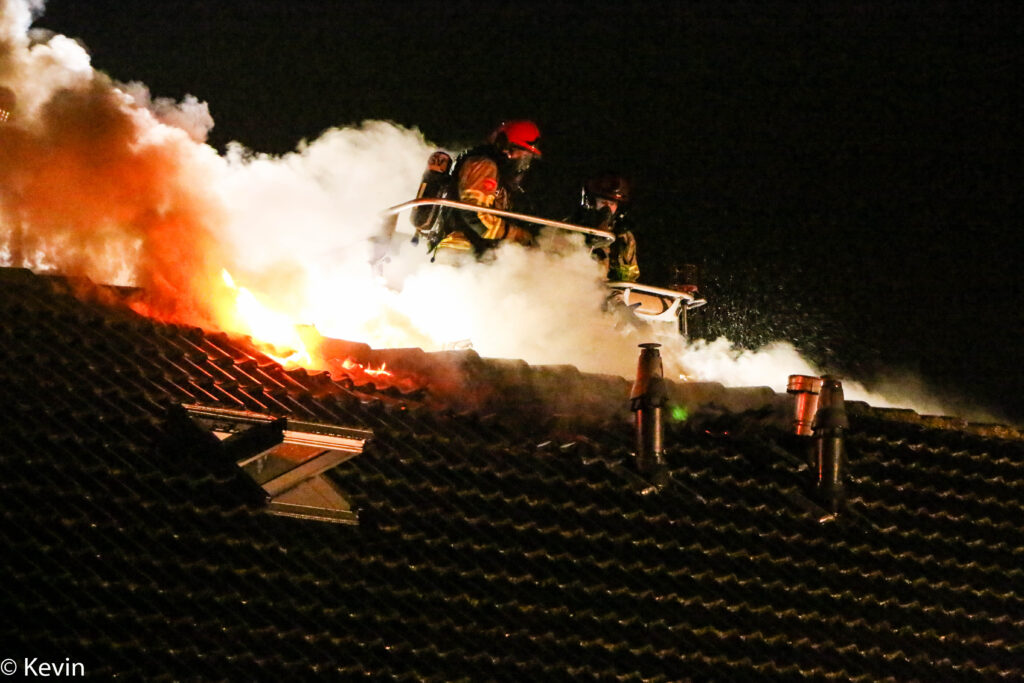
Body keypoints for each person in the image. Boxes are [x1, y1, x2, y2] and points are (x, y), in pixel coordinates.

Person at [435, 120, 542, 258]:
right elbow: (475, 216)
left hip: (469, 253)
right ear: (508, 147)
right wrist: (518, 235)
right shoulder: (484, 166)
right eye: (525, 154)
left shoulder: (497, 173)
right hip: (462, 252)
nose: (525, 163)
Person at [574, 172, 640, 282]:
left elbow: (631, 275)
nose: (607, 208)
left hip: (607, 289)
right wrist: (589, 244)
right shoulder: (572, 228)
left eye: (612, 204)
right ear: (591, 203)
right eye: (603, 202)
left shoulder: (625, 237)